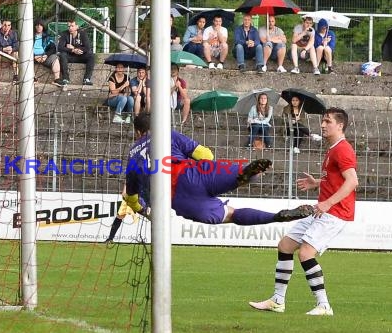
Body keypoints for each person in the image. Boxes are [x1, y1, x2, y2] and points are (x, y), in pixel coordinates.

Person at [249, 107, 358, 316]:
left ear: (340, 125)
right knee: (285, 245)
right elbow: (337, 180)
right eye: (323, 121)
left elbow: (352, 181)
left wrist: (327, 203)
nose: (323, 125)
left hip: (335, 213)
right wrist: (317, 183)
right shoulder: (333, 148)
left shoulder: (343, 149)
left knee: (306, 252)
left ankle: (324, 305)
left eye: (328, 121)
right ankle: (277, 301)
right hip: (323, 210)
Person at [122, 112, 314, 226]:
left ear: (138, 132)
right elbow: (205, 155)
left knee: (231, 215)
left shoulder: (132, 155)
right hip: (193, 174)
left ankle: (276, 217)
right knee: (240, 173)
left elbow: (129, 197)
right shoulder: (167, 134)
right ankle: (244, 175)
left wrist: (145, 211)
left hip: (178, 198)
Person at [57, 19, 95, 85]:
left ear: (77, 26)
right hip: (70, 56)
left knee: (91, 55)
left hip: (81, 56)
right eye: (69, 26)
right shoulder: (64, 34)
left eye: (72, 26)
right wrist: (72, 50)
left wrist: (75, 48)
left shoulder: (83, 34)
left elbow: (88, 47)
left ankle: (86, 79)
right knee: (62, 55)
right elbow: (60, 48)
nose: (70, 28)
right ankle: (65, 79)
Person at [33, 19, 65, 86]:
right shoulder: (29, 36)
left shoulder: (47, 37)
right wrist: (34, 56)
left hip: (44, 57)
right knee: (25, 58)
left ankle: (57, 79)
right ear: (34, 26)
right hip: (32, 57)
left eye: (41, 25)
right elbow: (25, 48)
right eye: (37, 25)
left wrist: (46, 55)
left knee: (55, 57)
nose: (39, 27)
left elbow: (53, 48)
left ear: (43, 27)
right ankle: (32, 78)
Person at [0, 19, 19, 84]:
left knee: (16, 53)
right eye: (5, 25)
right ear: (1, 25)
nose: (7, 27)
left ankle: (16, 75)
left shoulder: (14, 33)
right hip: (0, 52)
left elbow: (17, 46)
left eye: (9, 25)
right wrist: (3, 49)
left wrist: (12, 49)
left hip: (10, 52)